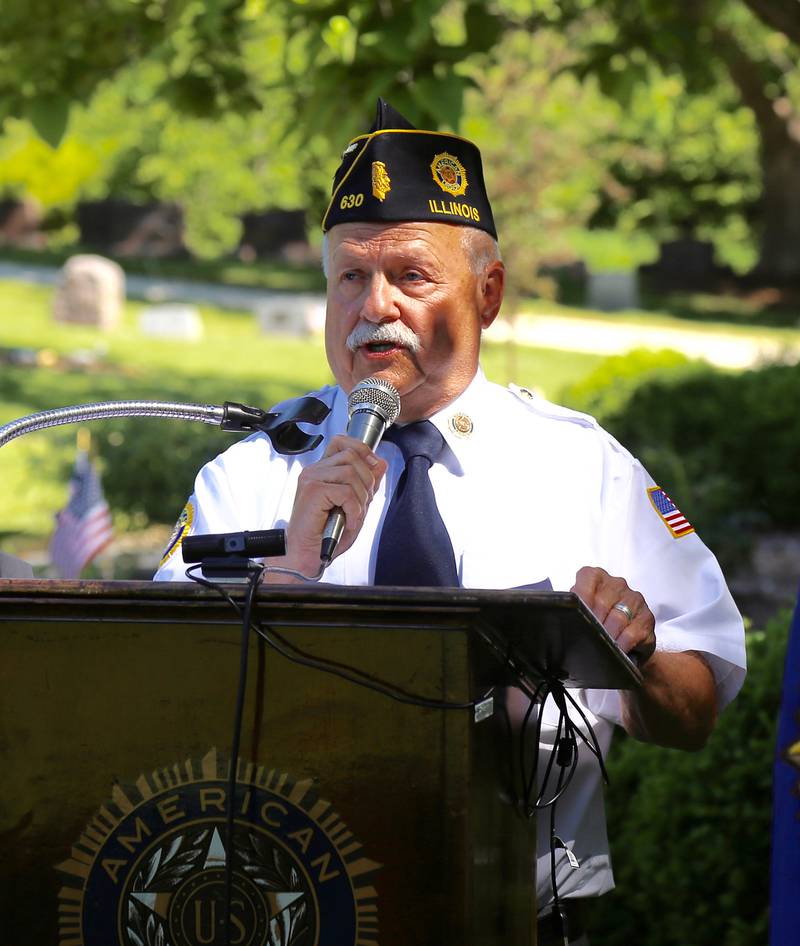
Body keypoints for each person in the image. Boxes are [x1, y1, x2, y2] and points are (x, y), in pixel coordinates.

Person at [155, 99, 746, 943]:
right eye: (351, 277)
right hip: (295, 916)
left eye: (411, 276)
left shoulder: (583, 468)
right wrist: (294, 568)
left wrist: (636, 654)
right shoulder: (251, 475)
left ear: (489, 293)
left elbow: (694, 715)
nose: (374, 307)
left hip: (525, 919)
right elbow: (162, 703)